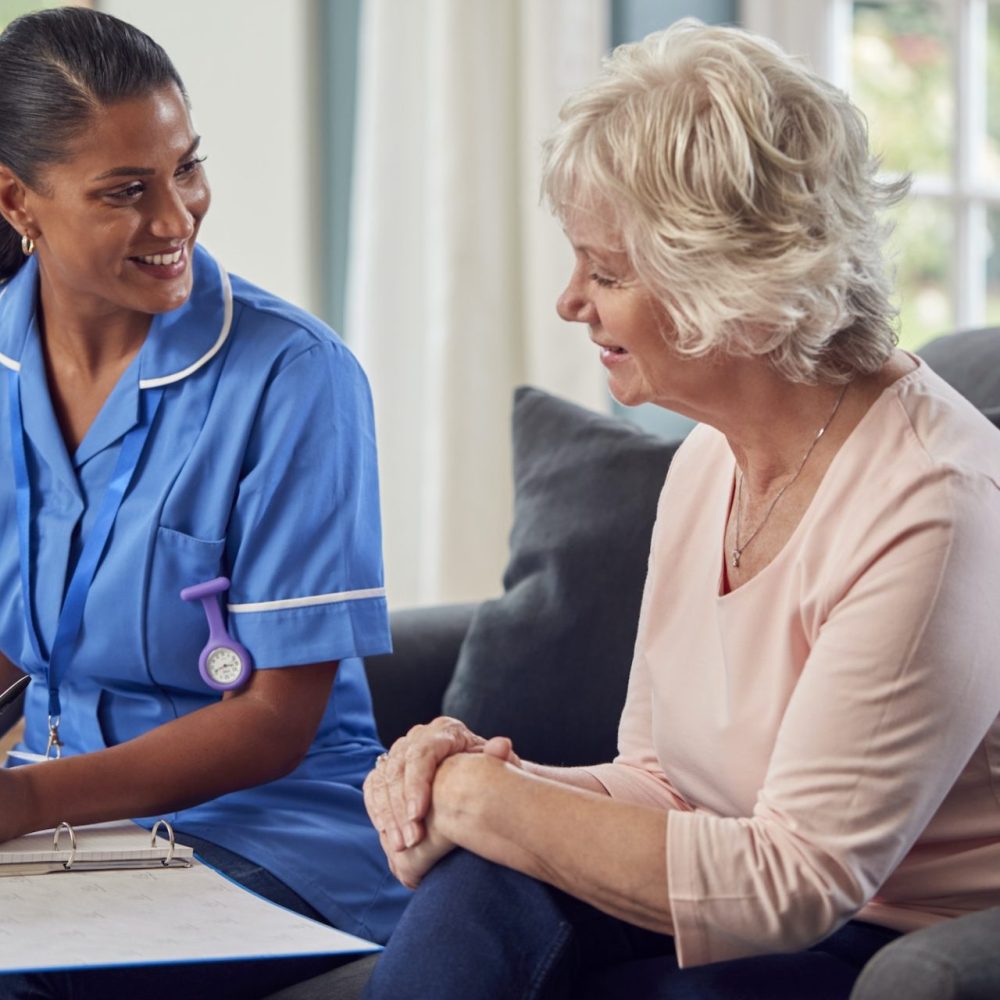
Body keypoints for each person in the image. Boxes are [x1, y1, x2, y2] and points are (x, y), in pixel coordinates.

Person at [362, 19, 1000, 1000]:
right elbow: (661, 779)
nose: (572, 301)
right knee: (480, 876)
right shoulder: (709, 458)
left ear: (735, 287)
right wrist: (469, 788)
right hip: (734, 888)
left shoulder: (934, 503)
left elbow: (797, 883)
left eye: (607, 272)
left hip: (874, 935)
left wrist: (489, 800)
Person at [0, 8, 408, 999]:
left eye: (185, 168)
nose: (177, 218)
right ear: (18, 202)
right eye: (125, 192)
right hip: (56, 818)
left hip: (273, 819)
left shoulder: (296, 377)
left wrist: (25, 800)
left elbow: (273, 721)